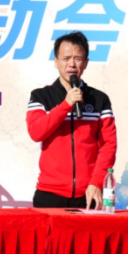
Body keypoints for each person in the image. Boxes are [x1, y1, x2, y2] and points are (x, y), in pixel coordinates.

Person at [27, 31, 117, 210]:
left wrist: (96, 182)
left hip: (88, 193)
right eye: (66, 58)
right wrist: (66, 105)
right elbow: (36, 132)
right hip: (49, 194)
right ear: (56, 61)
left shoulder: (99, 99)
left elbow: (108, 145)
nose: (71, 64)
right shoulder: (41, 96)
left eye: (78, 58)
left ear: (86, 63)